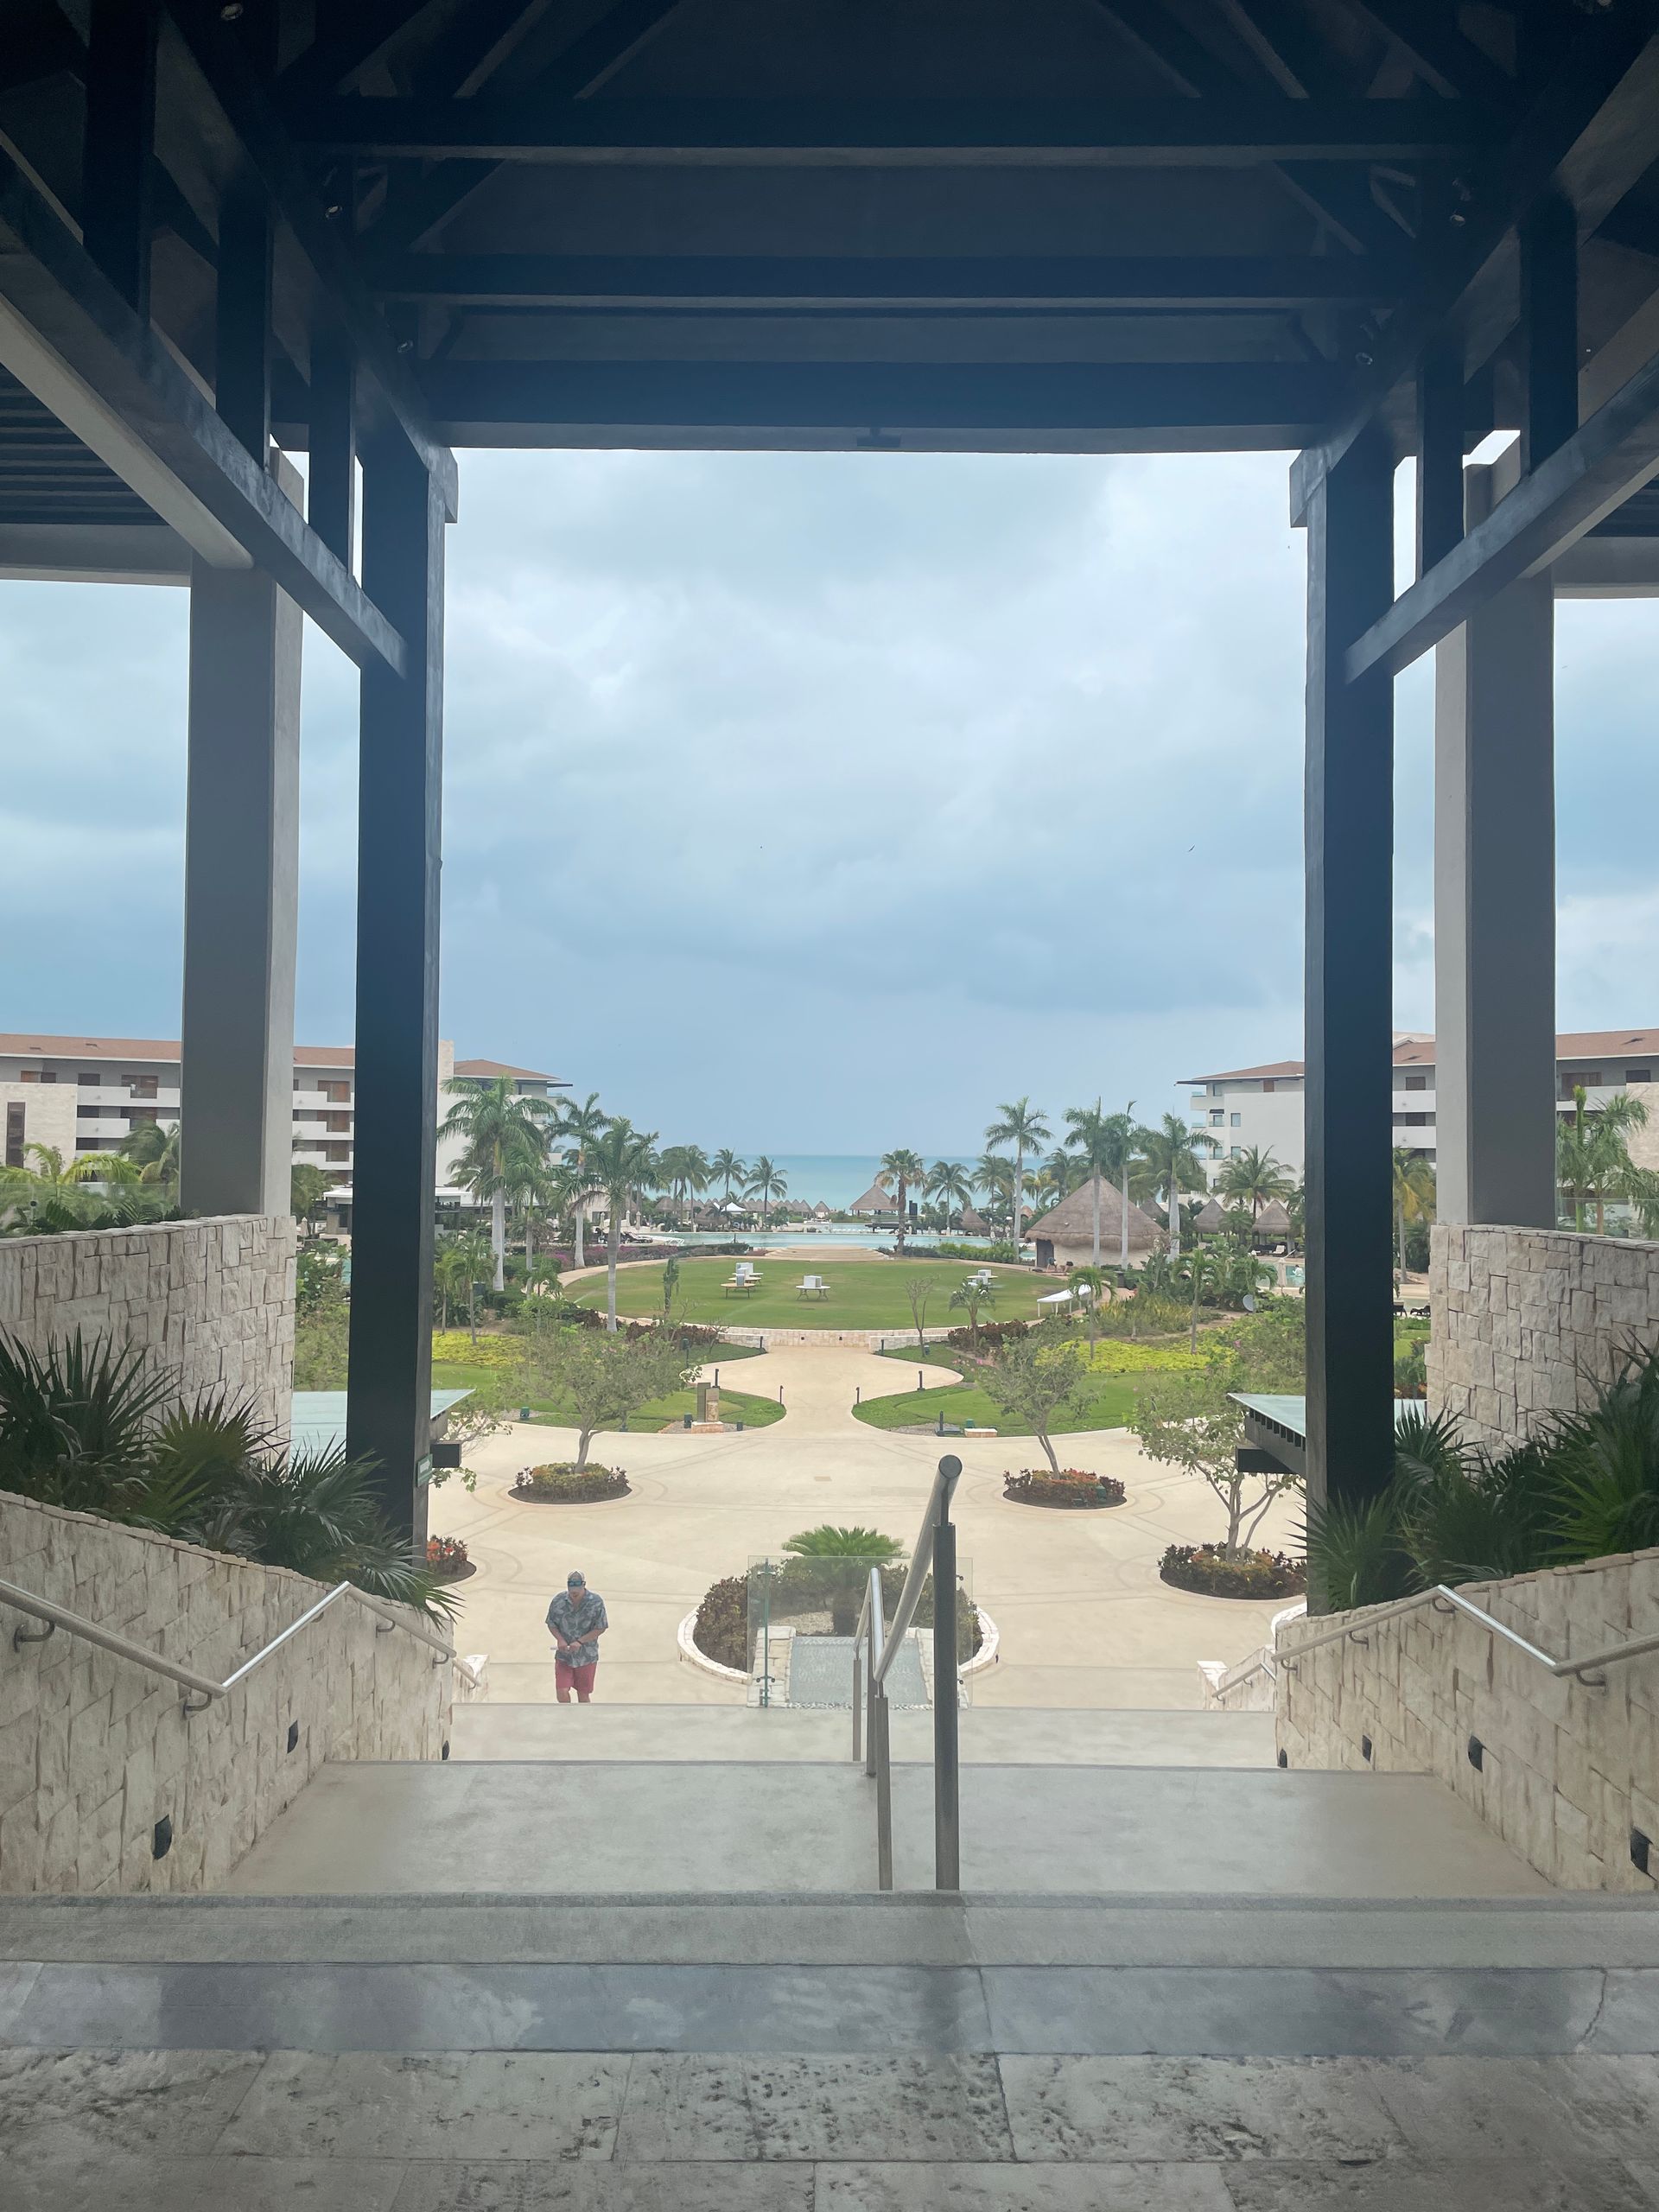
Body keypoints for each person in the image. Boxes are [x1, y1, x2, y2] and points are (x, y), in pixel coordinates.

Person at [546, 1569, 608, 1703]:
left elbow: (601, 1627)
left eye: (577, 1590)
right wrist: (560, 1639)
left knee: (583, 1694)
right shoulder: (558, 1600)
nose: (573, 1593)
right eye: (571, 1589)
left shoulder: (595, 1602)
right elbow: (551, 1623)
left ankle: (584, 1721)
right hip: (564, 1656)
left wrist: (580, 1642)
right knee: (562, 1692)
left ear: (584, 1585)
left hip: (586, 1656)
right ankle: (567, 1719)